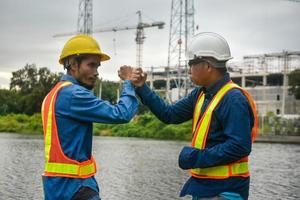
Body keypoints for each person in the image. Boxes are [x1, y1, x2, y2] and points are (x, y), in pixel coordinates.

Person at [127, 32, 258, 200]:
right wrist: (141, 87)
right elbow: (170, 114)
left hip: (226, 190)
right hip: (205, 187)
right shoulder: (201, 94)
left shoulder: (233, 99)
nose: (188, 70)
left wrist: (196, 157)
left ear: (208, 66)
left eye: (191, 64)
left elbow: (240, 146)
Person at [41, 34, 139, 200]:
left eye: (97, 67)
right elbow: (121, 114)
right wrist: (128, 83)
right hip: (76, 188)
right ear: (73, 64)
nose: (96, 73)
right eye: (91, 65)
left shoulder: (54, 94)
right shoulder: (74, 94)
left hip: (56, 188)